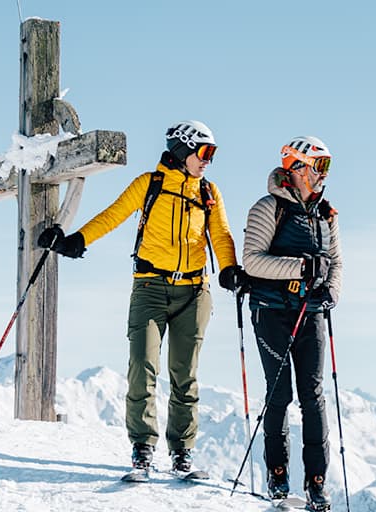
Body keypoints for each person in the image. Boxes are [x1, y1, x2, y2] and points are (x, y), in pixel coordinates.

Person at [38, 120, 247, 478]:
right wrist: (76, 241)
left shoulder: (209, 191)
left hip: (195, 292)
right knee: (142, 367)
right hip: (150, 288)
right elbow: (113, 215)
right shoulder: (149, 185)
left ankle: (182, 452)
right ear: (182, 150)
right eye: (204, 152)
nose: (208, 160)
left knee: (185, 375)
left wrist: (229, 269)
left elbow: (222, 234)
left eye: (212, 153)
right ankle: (143, 448)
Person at [241, 136, 341, 510]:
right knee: (279, 394)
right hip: (271, 312)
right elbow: (253, 260)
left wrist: (332, 290)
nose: (323, 173)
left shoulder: (326, 213)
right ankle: (277, 474)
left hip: (312, 312)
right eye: (320, 165)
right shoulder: (267, 208)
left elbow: (337, 262)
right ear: (297, 167)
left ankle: (317, 482)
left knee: (313, 395)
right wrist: (300, 267)